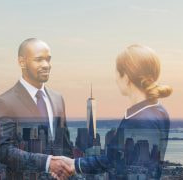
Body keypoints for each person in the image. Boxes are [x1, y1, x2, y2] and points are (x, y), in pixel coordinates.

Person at [60, 44, 172, 179]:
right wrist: (75, 164)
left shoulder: (141, 119)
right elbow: (113, 159)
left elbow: (136, 171)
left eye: (117, 72)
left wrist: (74, 164)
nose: (115, 78)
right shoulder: (157, 110)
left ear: (126, 77)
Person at [0, 38, 74, 180]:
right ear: (22, 62)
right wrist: (47, 163)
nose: (46, 65)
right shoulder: (4, 101)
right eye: (39, 59)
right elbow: (2, 151)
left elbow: (65, 146)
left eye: (48, 59)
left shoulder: (58, 99)